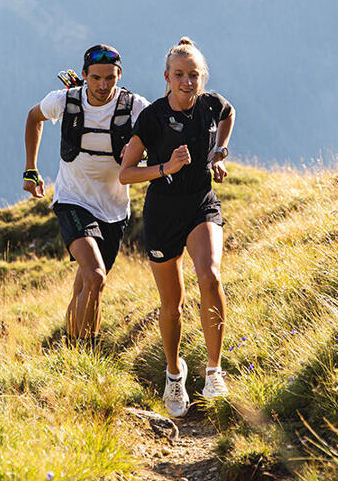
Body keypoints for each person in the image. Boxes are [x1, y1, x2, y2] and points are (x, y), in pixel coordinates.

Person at [119, 37, 235, 417]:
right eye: (180, 75)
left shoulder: (211, 105)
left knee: (211, 276)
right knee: (172, 307)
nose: (188, 82)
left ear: (204, 77)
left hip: (201, 203)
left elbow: (229, 114)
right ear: (167, 76)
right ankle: (174, 374)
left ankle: (214, 371)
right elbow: (125, 173)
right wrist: (165, 168)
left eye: (195, 75)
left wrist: (218, 151)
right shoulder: (151, 118)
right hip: (163, 213)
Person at [23, 44, 149, 346]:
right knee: (95, 277)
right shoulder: (65, 101)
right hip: (73, 201)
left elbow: (156, 137)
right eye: (95, 78)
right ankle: (83, 353)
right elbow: (33, 117)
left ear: (119, 75)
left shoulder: (135, 106)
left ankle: (69, 351)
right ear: (83, 76)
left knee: (86, 284)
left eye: (110, 78)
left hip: (115, 208)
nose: (103, 86)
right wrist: (31, 169)